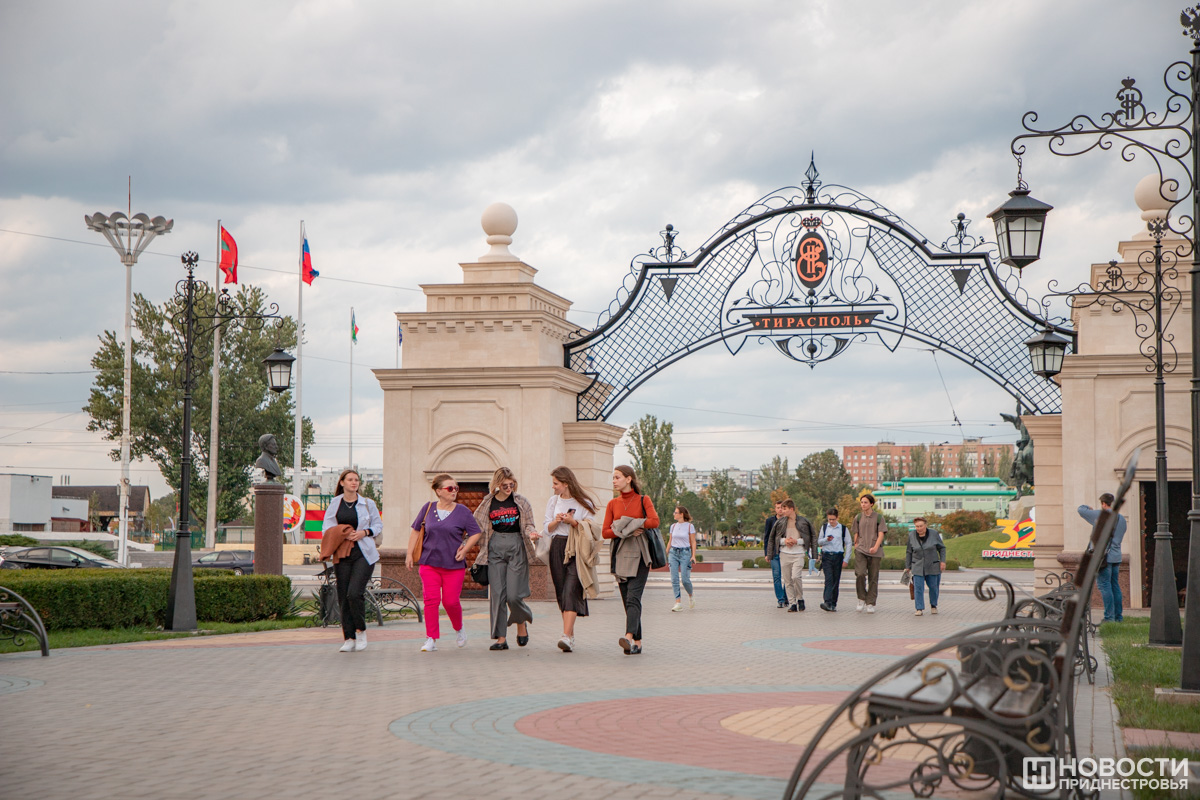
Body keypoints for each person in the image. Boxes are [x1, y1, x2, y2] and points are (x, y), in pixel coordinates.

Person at [406, 473, 482, 652]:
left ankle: (459, 628)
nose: (454, 491)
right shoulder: (428, 508)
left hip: (453, 565)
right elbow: (415, 531)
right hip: (429, 563)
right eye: (450, 488)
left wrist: (465, 549)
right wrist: (409, 554)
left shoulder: (463, 511)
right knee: (431, 601)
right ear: (439, 491)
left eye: (456, 488)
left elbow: (476, 533)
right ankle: (431, 638)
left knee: (450, 602)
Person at [473, 467, 540, 651]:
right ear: (497, 484)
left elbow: (528, 524)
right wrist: (465, 545)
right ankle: (501, 638)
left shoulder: (521, 501)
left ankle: (521, 621)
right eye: (505, 485)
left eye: (512, 484)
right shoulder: (487, 502)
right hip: (494, 547)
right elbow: (476, 525)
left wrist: (532, 533)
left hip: (516, 545)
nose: (509, 488)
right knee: (497, 595)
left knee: (514, 595)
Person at [322, 469, 384, 652]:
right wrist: (342, 533)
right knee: (343, 596)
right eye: (350, 479)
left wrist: (364, 532)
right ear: (342, 483)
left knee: (354, 593)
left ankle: (361, 631)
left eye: (356, 480)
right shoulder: (335, 503)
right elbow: (327, 527)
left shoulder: (368, 503)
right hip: (342, 553)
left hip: (364, 554)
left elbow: (378, 525)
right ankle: (348, 638)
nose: (354, 482)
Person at [603, 465, 660, 655]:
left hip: (640, 555)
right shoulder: (613, 504)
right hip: (620, 555)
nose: (614, 481)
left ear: (629, 479)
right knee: (628, 600)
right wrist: (627, 531)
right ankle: (638, 642)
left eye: (617, 477)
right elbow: (605, 532)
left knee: (633, 598)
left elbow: (654, 521)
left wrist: (633, 523)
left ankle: (628, 637)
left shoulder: (644, 500)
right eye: (613, 478)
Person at [545, 466, 599, 653]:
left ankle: (565, 635)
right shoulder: (553, 501)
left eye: (556, 483)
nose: (553, 487)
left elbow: (592, 527)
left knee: (571, 590)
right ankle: (569, 636)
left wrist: (573, 522)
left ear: (566, 483)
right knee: (561, 591)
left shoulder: (583, 502)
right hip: (557, 546)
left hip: (577, 548)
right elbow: (547, 528)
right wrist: (557, 520)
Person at [1078, 493, 1126, 622]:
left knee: (1104, 586)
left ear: (1104, 504)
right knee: (1115, 586)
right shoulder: (1121, 519)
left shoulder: (1100, 515)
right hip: (1116, 556)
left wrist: (1089, 507)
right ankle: (1118, 617)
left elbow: (1081, 510)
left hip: (1103, 558)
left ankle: (1109, 618)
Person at [770, 500, 815, 612]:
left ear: (791, 509)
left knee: (795, 577)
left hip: (798, 554)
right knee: (787, 580)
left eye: (785, 509)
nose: (782, 511)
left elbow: (810, 538)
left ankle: (800, 598)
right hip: (784, 554)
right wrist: (784, 541)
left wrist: (797, 541)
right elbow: (774, 538)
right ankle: (792, 603)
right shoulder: (780, 522)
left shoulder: (803, 521)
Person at [851, 494, 887, 613]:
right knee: (860, 574)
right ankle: (861, 598)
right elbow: (856, 532)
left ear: (871, 504)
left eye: (865, 502)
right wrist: (856, 544)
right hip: (861, 550)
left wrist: (875, 547)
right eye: (862, 502)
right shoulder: (858, 517)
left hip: (875, 551)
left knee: (873, 577)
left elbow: (881, 534)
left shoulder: (879, 518)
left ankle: (870, 602)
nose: (863, 504)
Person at [905, 517, 947, 616]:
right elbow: (909, 552)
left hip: (932, 565)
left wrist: (942, 561)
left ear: (925, 525)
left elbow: (942, 548)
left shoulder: (934, 534)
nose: (919, 528)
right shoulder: (911, 535)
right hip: (917, 565)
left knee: (933, 587)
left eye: (921, 526)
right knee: (918, 588)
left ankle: (933, 605)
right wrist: (907, 566)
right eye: (917, 526)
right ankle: (919, 608)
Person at [816, 507, 852, 612]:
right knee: (829, 579)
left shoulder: (843, 529)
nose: (831, 521)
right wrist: (826, 539)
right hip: (827, 556)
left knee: (836, 580)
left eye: (833, 519)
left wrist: (846, 559)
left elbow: (849, 543)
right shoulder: (824, 527)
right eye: (829, 519)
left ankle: (833, 604)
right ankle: (827, 602)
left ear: (837, 518)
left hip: (838, 556)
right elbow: (819, 541)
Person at [668, 506, 697, 611]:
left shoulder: (689, 526)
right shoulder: (673, 526)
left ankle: (691, 595)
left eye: (675, 512)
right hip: (673, 553)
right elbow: (670, 541)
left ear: (681, 514)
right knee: (674, 579)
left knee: (685, 579)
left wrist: (693, 555)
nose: (674, 514)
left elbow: (693, 541)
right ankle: (678, 602)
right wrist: (666, 552)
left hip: (685, 553)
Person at [765, 501, 788, 608]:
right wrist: (767, 553)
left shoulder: (788, 520)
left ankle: (786, 597)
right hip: (774, 553)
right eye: (778, 507)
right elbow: (767, 537)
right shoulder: (770, 521)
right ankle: (780, 599)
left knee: (788, 576)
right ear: (775, 509)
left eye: (781, 508)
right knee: (776, 576)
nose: (780, 509)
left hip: (785, 552)